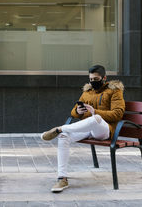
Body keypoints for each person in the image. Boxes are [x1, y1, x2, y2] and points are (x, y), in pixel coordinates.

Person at [41, 65, 125, 193]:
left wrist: (95, 111)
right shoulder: (87, 92)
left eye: (96, 79)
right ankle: (62, 178)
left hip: (105, 130)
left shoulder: (114, 91)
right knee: (64, 136)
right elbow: (73, 112)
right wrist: (78, 111)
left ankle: (60, 128)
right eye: (91, 79)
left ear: (104, 78)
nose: (93, 82)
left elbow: (118, 113)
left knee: (95, 118)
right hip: (88, 128)